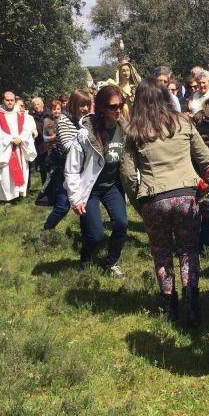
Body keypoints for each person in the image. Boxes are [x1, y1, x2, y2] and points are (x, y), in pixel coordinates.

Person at [121, 79, 209, 324]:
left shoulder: (134, 131)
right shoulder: (183, 122)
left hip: (153, 197)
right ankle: (191, 303)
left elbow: (128, 175)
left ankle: (169, 306)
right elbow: (206, 159)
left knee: (161, 253)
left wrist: (138, 202)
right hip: (185, 195)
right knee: (188, 250)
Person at [65, 85, 128, 276]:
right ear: (101, 107)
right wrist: (76, 198)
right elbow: (72, 168)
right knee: (96, 235)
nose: (118, 110)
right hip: (90, 187)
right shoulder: (86, 134)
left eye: (121, 105)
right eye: (112, 106)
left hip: (112, 185)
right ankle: (86, 257)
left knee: (121, 224)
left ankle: (112, 263)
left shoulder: (124, 129)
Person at [43, 90, 92, 231]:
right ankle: (47, 230)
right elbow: (69, 147)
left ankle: (87, 235)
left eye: (87, 105)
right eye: (82, 105)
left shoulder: (84, 120)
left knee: (85, 203)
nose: (86, 109)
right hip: (64, 169)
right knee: (63, 205)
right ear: (73, 104)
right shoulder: (64, 121)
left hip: (81, 168)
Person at [0, 91, 37, 201]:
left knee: (20, 170)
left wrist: (20, 138)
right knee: (6, 175)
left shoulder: (21, 114)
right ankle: (7, 198)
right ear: (3, 100)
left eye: (12, 100)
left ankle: (19, 194)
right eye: (7, 100)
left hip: (19, 148)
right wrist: (11, 139)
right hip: (6, 149)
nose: (10, 102)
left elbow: (27, 128)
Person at [29, 97, 49, 189]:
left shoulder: (48, 114)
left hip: (49, 144)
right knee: (43, 168)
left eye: (38, 104)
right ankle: (44, 186)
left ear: (42, 105)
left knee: (50, 167)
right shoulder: (31, 117)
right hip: (39, 145)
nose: (36, 106)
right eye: (34, 105)